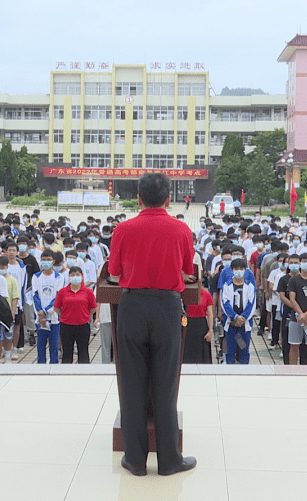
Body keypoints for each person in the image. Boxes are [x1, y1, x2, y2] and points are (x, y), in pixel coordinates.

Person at [108, 172, 197, 477]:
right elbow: (187, 270)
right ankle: (170, 460)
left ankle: (134, 459)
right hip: (167, 307)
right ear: (169, 199)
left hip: (132, 306)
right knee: (165, 385)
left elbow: (115, 272)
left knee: (132, 384)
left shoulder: (123, 228)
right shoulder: (181, 229)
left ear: (138, 198)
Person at [55, 267, 98, 364]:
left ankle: (84, 374)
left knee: (83, 351)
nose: (75, 277)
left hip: (83, 325)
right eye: (72, 275)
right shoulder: (63, 292)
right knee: (67, 352)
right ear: (69, 277)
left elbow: (94, 307)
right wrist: (65, 315)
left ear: (82, 277)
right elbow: (56, 308)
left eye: (77, 275)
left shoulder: (88, 291)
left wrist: (86, 315)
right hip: (66, 325)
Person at [30, 250, 65, 364]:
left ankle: (54, 367)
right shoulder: (36, 277)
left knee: (54, 345)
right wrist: (40, 313)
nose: (46, 262)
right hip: (40, 317)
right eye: (43, 260)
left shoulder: (59, 277)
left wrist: (45, 311)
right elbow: (35, 296)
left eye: (48, 260)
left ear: (53, 261)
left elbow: (58, 297)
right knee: (40, 346)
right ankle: (41, 368)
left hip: (53, 317)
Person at [220, 258, 255, 364]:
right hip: (231, 323)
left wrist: (242, 318)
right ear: (232, 270)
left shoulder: (250, 286)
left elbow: (251, 304)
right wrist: (235, 317)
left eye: (241, 268)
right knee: (230, 351)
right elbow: (225, 303)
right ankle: (229, 373)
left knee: (244, 350)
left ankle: (244, 374)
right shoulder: (227, 286)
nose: (239, 271)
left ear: (245, 270)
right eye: (236, 269)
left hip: (244, 324)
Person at [182, 287, 215, 364]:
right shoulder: (185, 293)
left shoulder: (206, 294)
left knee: (202, 353)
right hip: (188, 324)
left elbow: (210, 314)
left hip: (201, 324)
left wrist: (210, 330)